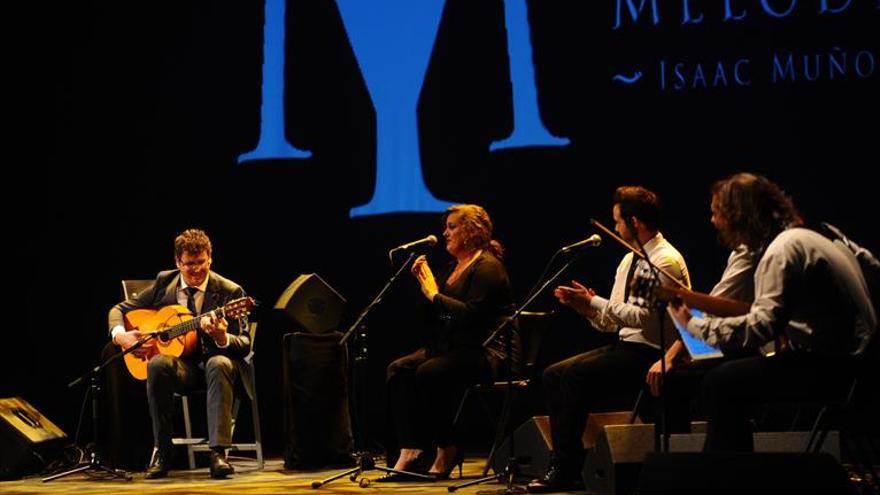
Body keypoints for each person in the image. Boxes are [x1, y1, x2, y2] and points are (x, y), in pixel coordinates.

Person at [669, 173, 877, 451]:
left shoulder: (781, 251)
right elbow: (872, 267)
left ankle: (726, 479)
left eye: (717, 213)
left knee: (721, 382)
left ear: (739, 215)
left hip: (835, 371)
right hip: (862, 365)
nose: (713, 221)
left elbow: (760, 329)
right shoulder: (825, 232)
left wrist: (691, 325)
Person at [527, 186, 691, 494]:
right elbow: (612, 321)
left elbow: (639, 317)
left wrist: (596, 302)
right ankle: (565, 461)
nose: (614, 228)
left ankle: (566, 466)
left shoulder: (663, 260)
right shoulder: (629, 261)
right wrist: (586, 308)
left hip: (653, 351)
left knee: (575, 375)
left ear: (635, 222)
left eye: (617, 221)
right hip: (627, 346)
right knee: (553, 374)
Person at [382, 204, 514, 481]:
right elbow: (432, 315)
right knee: (399, 368)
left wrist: (433, 294)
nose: (445, 233)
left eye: (452, 227)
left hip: (486, 351)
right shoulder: (452, 267)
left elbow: (471, 317)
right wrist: (423, 283)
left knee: (429, 372)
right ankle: (411, 448)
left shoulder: (488, 267)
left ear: (470, 231)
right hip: (455, 347)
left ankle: (448, 447)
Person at [108, 229, 250, 479]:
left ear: (210, 259)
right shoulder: (165, 282)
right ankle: (163, 451)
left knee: (217, 363)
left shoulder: (230, 292)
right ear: (177, 262)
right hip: (182, 369)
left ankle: (218, 454)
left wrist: (221, 337)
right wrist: (121, 335)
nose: (195, 270)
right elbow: (119, 309)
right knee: (157, 364)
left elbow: (245, 343)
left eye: (201, 263)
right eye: (189, 264)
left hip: (218, 369)